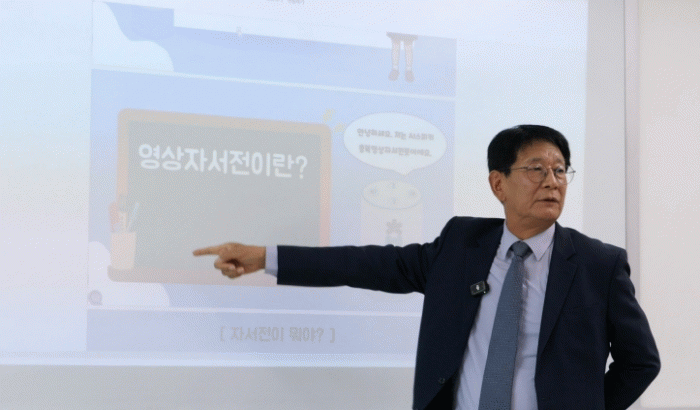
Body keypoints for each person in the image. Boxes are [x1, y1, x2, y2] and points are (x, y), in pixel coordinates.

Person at [193, 125, 660, 410]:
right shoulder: (461, 245)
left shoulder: (598, 264)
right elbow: (367, 264)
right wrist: (267, 257)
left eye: (560, 170)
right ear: (498, 184)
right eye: (536, 169)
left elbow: (641, 361)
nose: (552, 181)